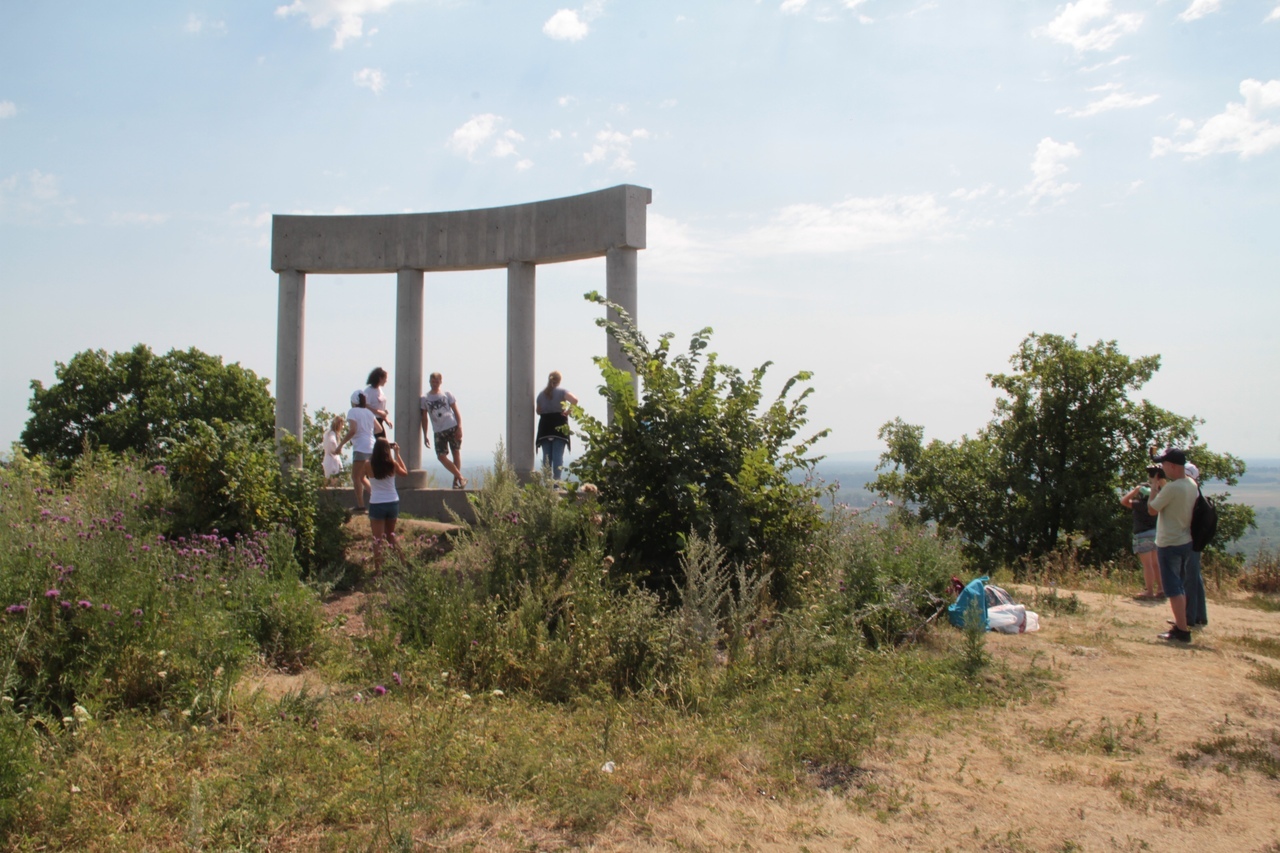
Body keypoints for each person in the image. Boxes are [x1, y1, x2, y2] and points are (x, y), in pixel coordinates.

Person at [1148, 447, 1198, 643]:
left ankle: (1182, 631)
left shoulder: (1172, 488)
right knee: (1181, 586)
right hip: (1185, 540)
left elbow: (1152, 509)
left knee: (1173, 588)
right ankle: (1181, 624)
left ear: (1173, 466)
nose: (1163, 468)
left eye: (1164, 464)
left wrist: (1154, 486)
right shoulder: (1191, 484)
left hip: (1169, 542)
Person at [1120, 464, 1164, 600]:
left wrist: (1134, 491)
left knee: (1147, 565)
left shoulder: (1139, 504)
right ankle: (1161, 589)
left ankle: (1149, 591)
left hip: (1142, 534)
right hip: (1156, 534)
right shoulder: (1156, 503)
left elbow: (1124, 501)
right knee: (1156, 563)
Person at [420, 372, 466, 489]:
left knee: (455, 452)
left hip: (451, 426)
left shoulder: (446, 394)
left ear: (441, 382)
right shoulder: (425, 398)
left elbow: (456, 411)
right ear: (429, 381)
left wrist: (459, 427)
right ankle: (460, 476)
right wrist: (425, 434)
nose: (434, 384)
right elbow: (424, 418)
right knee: (441, 456)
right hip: (438, 431)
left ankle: (456, 481)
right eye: (432, 381)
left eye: (437, 381)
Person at [367, 437, 408, 567]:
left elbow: (360, 476)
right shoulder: (392, 463)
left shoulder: (368, 464)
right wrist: (397, 454)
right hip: (392, 502)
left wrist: (371, 487)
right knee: (391, 536)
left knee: (377, 540)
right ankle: (403, 563)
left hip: (377, 502)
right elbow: (404, 473)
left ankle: (378, 570)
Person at [336, 390, 379, 512]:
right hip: (372, 447)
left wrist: (340, 445)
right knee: (363, 477)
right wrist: (368, 433)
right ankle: (377, 500)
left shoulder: (352, 412)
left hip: (360, 447)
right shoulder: (369, 413)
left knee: (355, 476)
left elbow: (353, 430)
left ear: (354, 402)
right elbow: (378, 428)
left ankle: (361, 506)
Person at [535, 370, 578, 481]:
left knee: (546, 456)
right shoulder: (562, 391)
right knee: (558, 454)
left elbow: (538, 411)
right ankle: (557, 481)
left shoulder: (541, 394)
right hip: (559, 423)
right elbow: (574, 400)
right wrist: (568, 412)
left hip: (545, 426)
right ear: (559, 380)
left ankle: (547, 481)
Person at [1182, 462, 1209, 628]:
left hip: (1189, 539)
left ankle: (1188, 617)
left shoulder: (1189, 492)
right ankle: (1199, 615)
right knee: (1195, 577)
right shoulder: (1197, 491)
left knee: (1189, 579)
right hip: (1196, 539)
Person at [364, 367, 393, 439]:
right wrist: (379, 412)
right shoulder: (369, 391)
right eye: (385, 378)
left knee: (383, 442)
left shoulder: (380, 390)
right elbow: (366, 406)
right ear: (380, 378)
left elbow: (381, 406)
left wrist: (386, 419)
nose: (386, 381)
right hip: (372, 421)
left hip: (380, 420)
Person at [321, 414, 345, 485]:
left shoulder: (327, 433)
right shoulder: (332, 434)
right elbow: (332, 442)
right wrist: (337, 449)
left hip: (327, 459)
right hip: (332, 460)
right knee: (333, 482)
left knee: (328, 481)